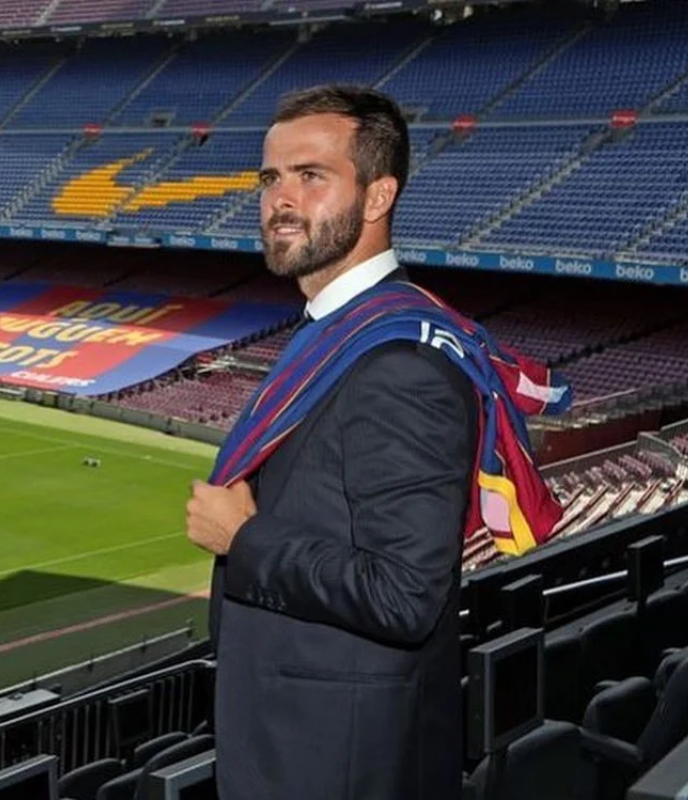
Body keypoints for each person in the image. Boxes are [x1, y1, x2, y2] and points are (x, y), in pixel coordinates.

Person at [184, 85, 569, 800]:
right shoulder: (336, 329)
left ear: (378, 195)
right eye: (270, 177)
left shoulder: (399, 367)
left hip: (341, 765)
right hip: (306, 745)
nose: (280, 199)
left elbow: (405, 595)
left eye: (311, 175)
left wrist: (245, 539)